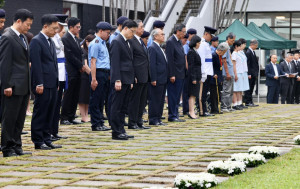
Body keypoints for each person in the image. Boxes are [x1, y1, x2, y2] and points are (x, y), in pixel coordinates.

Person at [0, 9, 33, 157]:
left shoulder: (23, 37)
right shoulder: (8, 37)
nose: (29, 27)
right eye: (27, 24)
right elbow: (5, 63)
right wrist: (6, 84)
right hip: (12, 85)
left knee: (20, 118)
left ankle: (17, 146)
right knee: (10, 118)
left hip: (24, 85)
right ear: (18, 21)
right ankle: (7, 147)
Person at [30, 14, 62, 150]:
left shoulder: (50, 40)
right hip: (42, 83)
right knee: (41, 111)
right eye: (54, 28)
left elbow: (53, 62)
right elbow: (36, 64)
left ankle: (47, 138)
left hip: (52, 82)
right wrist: (39, 83)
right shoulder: (37, 41)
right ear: (45, 26)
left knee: (50, 111)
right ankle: (38, 140)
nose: (56, 32)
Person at [110, 19, 137, 140]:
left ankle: (121, 129)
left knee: (123, 107)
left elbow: (130, 62)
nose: (133, 34)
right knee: (117, 106)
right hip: (120, 79)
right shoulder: (117, 41)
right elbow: (115, 62)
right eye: (132, 31)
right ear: (125, 28)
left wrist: (131, 79)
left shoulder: (127, 42)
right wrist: (117, 79)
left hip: (127, 78)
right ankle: (116, 131)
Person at [60, 17, 90, 125]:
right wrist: (80, 66)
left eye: (79, 27)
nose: (79, 29)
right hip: (71, 70)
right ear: (71, 27)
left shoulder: (76, 39)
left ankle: (71, 116)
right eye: (77, 27)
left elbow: (81, 54)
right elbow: (69, 55)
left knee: (75, 95)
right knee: (69, 95)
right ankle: (64, 117)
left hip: (78, 70)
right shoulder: (65, 38)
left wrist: (82, 65)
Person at [127, 20, 151, 130]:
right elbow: (131, 59)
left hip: (144, 75)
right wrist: (133, 75)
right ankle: (132, 122)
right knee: (135, 101)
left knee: (142, 101)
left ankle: (139, 120)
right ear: (135, 29)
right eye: (141, 27)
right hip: (137, 76)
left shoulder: (141, 41)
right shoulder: (131, 41)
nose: (143, 29)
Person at [89, 22, 112, 131]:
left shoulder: (103, 43)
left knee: (101, 98)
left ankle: (100, 121)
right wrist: (93, 79)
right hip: (97, 73)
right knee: (96, 99)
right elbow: (93, 62)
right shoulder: (96, 43)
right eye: (107, 33)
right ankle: (96, 123)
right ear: (101, 31)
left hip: (104, 73)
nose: (109, 35)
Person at [51, 14, 68, 141]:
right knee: (53, 105)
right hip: (56, 73)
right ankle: (50, 131)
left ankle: (54, 131)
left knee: (57, 105)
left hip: (61, 73)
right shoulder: (52, 38)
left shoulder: (58, 37)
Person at [166, 23, 186, 122]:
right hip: (175, 74)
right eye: (183, 32)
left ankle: (176, 113)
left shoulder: (179, 42)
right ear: (178, 31)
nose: (184, 34)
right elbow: (170, 59)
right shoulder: (170, 42)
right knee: (173, 95)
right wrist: (172, 74)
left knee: (178, 96)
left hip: (181, 73)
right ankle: (172, 115)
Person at [148, 29, 168, 126]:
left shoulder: (159, 47)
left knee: (160, 100)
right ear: (155, 36)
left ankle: (158, 118)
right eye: (161, 34)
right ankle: (153, 119)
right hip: (157, 78)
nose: (163, 36)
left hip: (163, 77)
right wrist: (153, 78)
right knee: (155, 99)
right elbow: (152, 64)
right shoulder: (152, 47)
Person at [197, 26, 217, 117]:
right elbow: (201, 59)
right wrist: (203, 73)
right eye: (211, 36)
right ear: (206, 34)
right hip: (205, 72)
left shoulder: (206, 44)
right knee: (202, 93)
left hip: (209, 72)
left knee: (205, 93)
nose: (212, 38)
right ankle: (202, 110)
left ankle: (204, 110)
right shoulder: (201, 44)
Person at [79, 34, 95, 123]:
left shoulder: (90, 51)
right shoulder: (83, 51)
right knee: (82, 97)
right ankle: (83, 115)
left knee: (87, 97)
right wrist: (93, 74)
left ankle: (86, 114)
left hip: (89, 76)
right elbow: (85, 66)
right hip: (84, 77)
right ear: (86, 42)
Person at [210, 42, 229, 114]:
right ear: (221, 50)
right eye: (224, 51)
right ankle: (214, 109)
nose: (224, 53)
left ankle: (217, 108)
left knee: (218, 94)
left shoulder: (219, 56)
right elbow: (211, 66)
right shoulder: (214, 55)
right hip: (214, 77)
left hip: (219, 77)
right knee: (214, 94)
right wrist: (213, 74)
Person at [182, 28, 197, 116]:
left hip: (192, 71)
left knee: (190, 90)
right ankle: (186, 109)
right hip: (187, 71)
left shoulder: (192, 46)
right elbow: (186, 59)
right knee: (186, 91)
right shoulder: (185, 46)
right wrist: (188, 71)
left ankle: (190, 108)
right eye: (193, 35)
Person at [186, 35, 201, 119]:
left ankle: (192, 111)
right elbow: (191, 66)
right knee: (192, 95)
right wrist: (194, 78)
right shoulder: (191, 52)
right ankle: (191, 112)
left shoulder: (195, 51)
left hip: (197, 76)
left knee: (194, 95)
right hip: (193, 76)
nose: (199, 44)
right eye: (198, 43)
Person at [221, 32, 236, 112]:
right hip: (227, 72)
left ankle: (229, 105)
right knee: (226, 90)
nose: (233, 42)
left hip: (231, 71)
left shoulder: (229, 47)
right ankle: (224, 106)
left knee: (230, 90)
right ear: (229, 39)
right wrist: (227, 72)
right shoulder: (224, 46)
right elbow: (224, 60)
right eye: (232, 40)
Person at [244, 39, 259, 107]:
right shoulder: (248, 52)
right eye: (256, 45)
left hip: (254, 73)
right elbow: (248, 64)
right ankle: (247, 101)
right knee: (249, 88)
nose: (256, 47)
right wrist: (249, 73)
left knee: (252, 87)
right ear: (252, 44)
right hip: (250, 74)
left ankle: (250, 101)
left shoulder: (253, 52)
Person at [231, 40, 244, 110]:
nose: (240, 48)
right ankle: (235, 104)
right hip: (236, 72)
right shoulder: (234, 54)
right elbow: (234, 65)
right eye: (239, 46)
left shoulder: (238, 53)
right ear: (236, 46)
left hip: (240, 72)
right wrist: (235, 74)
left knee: (239, 89)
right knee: (235, 90)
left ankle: (239, 102)